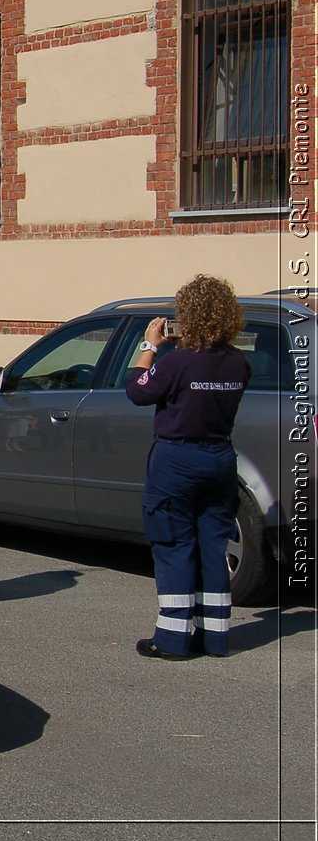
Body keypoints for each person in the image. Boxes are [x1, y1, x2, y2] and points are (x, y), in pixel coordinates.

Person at [126, 274, 250, 661]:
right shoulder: (238, 363)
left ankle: (172, 638)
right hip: (219, 459)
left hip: (178, 460)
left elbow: (137, 391)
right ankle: (215, 637)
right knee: (213, 547)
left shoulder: (177, 361)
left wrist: (150, 345)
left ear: (189, 316)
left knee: (173, 544)